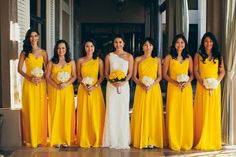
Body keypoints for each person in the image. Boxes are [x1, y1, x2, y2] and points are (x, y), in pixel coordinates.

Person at [130, 37, 164, 149]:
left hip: (154, 89)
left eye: (150, 45)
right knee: (141, 112)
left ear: (153, 47)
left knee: (153, 113)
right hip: (141, 88)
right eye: (145, 45)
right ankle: (142, 138)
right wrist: (142, 85)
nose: (148, 47)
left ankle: (152, 139)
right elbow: (134, 76)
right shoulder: (138, 59)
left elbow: (160, 76)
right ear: (142, 47)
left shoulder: (157, 60)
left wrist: (151, 85)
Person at [193, 32, 225, 150]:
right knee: (203, 112)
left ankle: (212, 139)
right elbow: (196, 72)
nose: (208, 43)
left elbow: (222, 72)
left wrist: (216, 82)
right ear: (203, 42)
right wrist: (203, 83)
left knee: (213, 113)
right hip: (203, 87)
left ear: (213, 43)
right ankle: (201, 138)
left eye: (210, 41)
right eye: (206, 41)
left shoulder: (218, 55)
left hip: (215, 88)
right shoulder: (198, 55)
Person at [17, 28, 48, 148]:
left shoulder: (43, 53)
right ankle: (30, 139)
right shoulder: (24, 52)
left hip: (40, 85)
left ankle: (39, 138)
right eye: (31, 36)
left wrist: (42, 78)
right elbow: (19, 69)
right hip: (29, 85)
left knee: (39, 110)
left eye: (35, 36)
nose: (33, 38)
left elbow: (47, 70)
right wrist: (29, 77)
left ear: (38, 37)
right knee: (29, 111)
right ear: (28, 38)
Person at [102, 34, 134, 149]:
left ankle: (123, 139)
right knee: (111, 110)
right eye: (116, 42)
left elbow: (130, 73)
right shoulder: (109, 56)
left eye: (120, 42)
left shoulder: (129, 56)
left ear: (124, 43)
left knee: (123, 111)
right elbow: (106, 72)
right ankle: (111, 139)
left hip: (124, 87)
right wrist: (112, 80)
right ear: (113, 44)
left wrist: (123, 82)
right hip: (111, 87)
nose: (118, 44)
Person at [163, 34, 194, 151]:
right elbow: (165, 75)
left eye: (182, 42)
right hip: (173, 88)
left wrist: (187, 83)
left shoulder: (189, 58)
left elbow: (192, 74)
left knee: (186, 113)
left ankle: (185, 141)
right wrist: (175, 82)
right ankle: (174, 140)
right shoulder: (168, 58)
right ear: (174, 44)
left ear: (185, 44)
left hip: (186, 88)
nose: (179, 45)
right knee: (173, 113)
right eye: (177, 42)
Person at [45, 40, 76, 147]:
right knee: (56, 113)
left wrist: (66, 83)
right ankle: (57, 139)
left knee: (66, 113)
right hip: (55, 90)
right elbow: (47, 77)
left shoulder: (71, 62)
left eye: (63, 48)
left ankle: (66, 139)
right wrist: (56, 85)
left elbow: (74, 76)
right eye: (59, 48)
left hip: (67, 91)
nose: (61, 50)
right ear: (56, 50)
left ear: (66, 50)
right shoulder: (51, 62)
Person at [76, 39, 105, 147]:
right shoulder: (80, 61)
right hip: (83, 89)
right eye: (87, 46)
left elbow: (102, 76)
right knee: (84, 113)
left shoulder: (99, 61)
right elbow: (78, 76)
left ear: (94, 47)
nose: (89, 48)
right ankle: (85, 138)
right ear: (84, 48)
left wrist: (94, 86)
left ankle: (96, 138)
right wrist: (84, 85)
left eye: (91, 46)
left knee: (95, 113)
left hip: (95, 90)